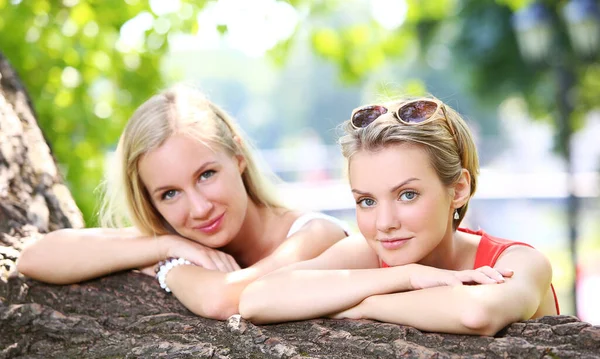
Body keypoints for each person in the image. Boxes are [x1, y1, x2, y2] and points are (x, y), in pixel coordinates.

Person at [16, 84, 349, 320]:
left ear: (237, 157)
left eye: (206, 174)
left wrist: (168, 268)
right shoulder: (178, 240)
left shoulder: (315, 234)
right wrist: (164, 247)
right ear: (150, 201)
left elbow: (225, 298)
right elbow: (34, 257)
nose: (199, 208)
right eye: (169, 194)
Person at [239, 97, 560, 335]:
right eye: (366, 201)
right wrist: (406, 276)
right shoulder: (372, 253)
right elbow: (256, 298)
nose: (384, 223)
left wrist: (361, 305)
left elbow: (475, 313)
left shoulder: (520, 261)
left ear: (459, 189)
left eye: (407, 195)